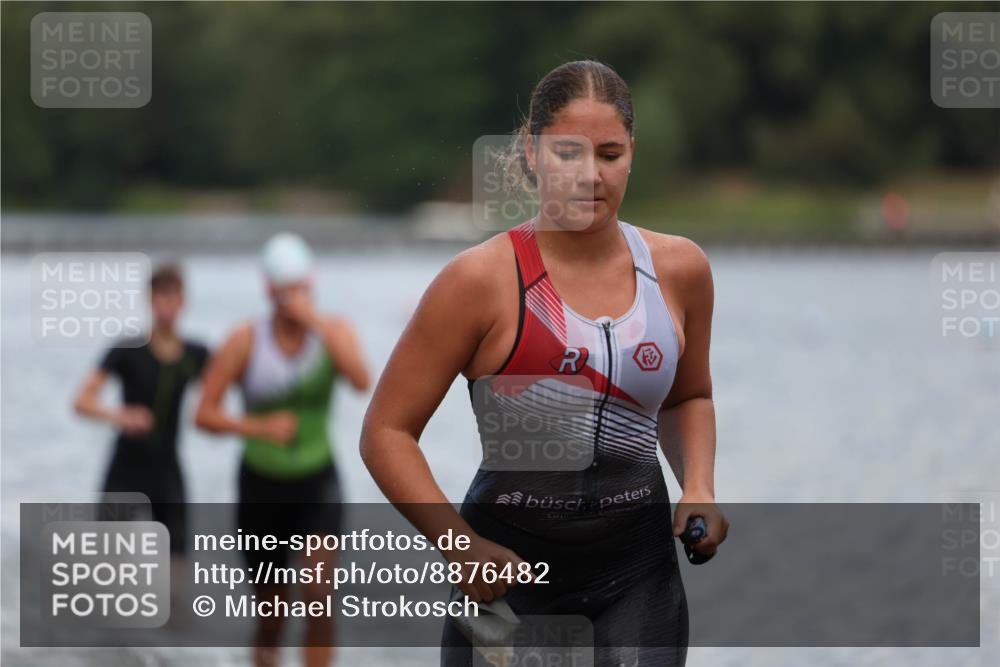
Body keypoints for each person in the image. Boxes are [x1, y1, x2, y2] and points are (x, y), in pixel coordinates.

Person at [360, 60, 728, 666]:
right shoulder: (479, 282)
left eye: (609, 154)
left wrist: (699, 486)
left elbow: (689, 397)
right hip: (507, 581)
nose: (590, 176)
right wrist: (460, 547)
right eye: (567, 154)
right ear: (531, 154)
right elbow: (386, 432)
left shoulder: (680, 270)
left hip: (637, 574)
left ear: (632, 152)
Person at [195, 232, 370, 667]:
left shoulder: (333, 331)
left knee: (318, 596)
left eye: (300, 288)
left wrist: (314, 322)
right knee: (272, 611)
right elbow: (204, 414)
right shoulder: (244, 340)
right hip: (261, 486)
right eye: (283, 290)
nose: (292, 298)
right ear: (268, 290)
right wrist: (258, 425)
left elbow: (362, 380)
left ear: (311, 285)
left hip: (317, 480)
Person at [73, 263, 210, 565]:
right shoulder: (128, 349)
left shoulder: (196, 354)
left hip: (168, 471)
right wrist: (120, 416)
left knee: (176, 573)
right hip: (125, 471)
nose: (167, 306)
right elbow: (81, 401)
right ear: (149, 300)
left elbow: (226, 390)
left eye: (173, 298)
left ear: (183, 301)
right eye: (161, 297)